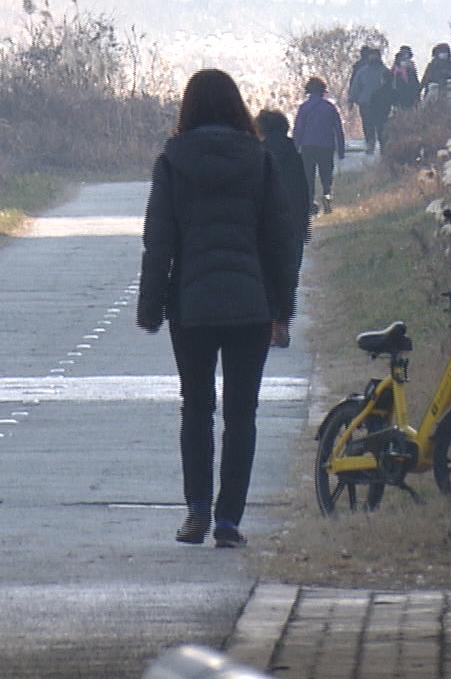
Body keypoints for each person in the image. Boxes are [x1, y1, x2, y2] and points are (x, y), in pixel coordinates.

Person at [136, 69, 297, 549]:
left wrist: (150, 309)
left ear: (188, 107)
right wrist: (281, 309)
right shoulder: (260, 160)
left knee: (197, 409)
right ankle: (229, 520)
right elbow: (280, 241)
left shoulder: (172, 161)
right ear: (236, 106)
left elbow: (158, 240)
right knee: (242, 414)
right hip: (250, 306)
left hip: (192, 306)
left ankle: (196, 512)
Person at [253, 108, 312, 349]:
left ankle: (269, 326)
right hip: (292, 227)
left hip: (266, 227)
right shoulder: (293, 154)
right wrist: (304, 224)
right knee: (288, 276)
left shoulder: (260, 154)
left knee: (265, 276)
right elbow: (303, 193)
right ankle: (282, 325)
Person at [293, 77, 345, 215]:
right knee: (326, 174)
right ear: (323, 90)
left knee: (308, 175)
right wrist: (341, 148)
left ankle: (310, 202)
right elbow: (338, 129)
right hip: (326, 146)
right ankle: (327, 196)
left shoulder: (303, 108)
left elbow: (298, 129)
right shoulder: (330, 107)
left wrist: (295, 147)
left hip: (308, 146)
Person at [346, 45, 392, 155]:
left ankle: (383, 145)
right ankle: (370, 142)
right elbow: (356, 86)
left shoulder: (385, 71)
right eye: (372, 56)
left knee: (382, 125)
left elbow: (391, 87)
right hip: (366, 102)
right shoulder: (362, 71)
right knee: (368, 124)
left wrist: (392, 100)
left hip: (382, 103)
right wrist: (351, 99)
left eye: (376, 56)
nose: (374, 58)